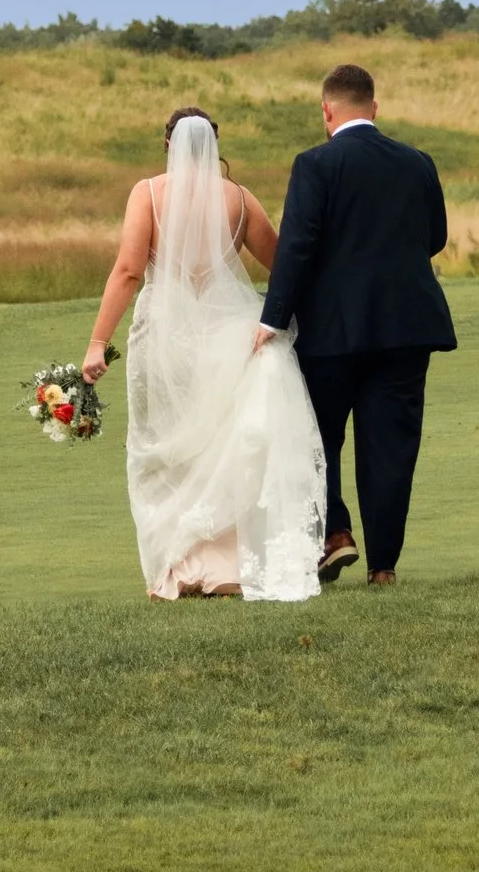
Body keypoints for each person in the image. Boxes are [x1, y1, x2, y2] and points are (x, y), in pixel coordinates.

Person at [82, 106, 327, 601]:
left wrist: (96, 344)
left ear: (169, 144)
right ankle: (226, 568)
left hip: (164, 340)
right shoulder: (238, 198)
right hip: (226, 334)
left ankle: (179, 568)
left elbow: (129, 270)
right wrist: (275, 320)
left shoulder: (148, 193)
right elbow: (283, 266)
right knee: (219, 446)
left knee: (169, 449)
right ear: (215, 145)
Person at [255, 62, 456, 587]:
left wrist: (272, 320)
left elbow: (296, 248)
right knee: (391, 445)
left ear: (326, 111)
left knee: (316, 438)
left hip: (331, 331)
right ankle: (383, 565)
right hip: (407, 327)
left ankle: (336, 532)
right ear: (375, 106)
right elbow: (434, 237)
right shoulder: (419, 163)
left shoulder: (315, 165)